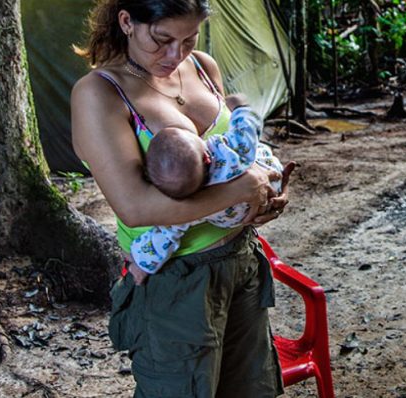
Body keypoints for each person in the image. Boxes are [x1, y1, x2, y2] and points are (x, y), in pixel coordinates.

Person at [69, 0, 291, 396]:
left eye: (189, 39)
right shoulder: (100, 94)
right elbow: (136, 208)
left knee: (249, 388)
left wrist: (260, 200)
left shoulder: (203, 67)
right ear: (127, 22)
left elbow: (233, 154)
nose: (175, 55)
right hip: (177, 278)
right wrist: (241, 190)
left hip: (240, 259)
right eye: (162, 39)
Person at [131, 94, 285, 274]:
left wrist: (140, 263)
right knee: (255, 151)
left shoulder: (192, 207)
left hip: (234, 219)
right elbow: (246, 131)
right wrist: (241, 107)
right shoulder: (225, 154)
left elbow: (163, 237)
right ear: (206, 156)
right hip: (270, 184)